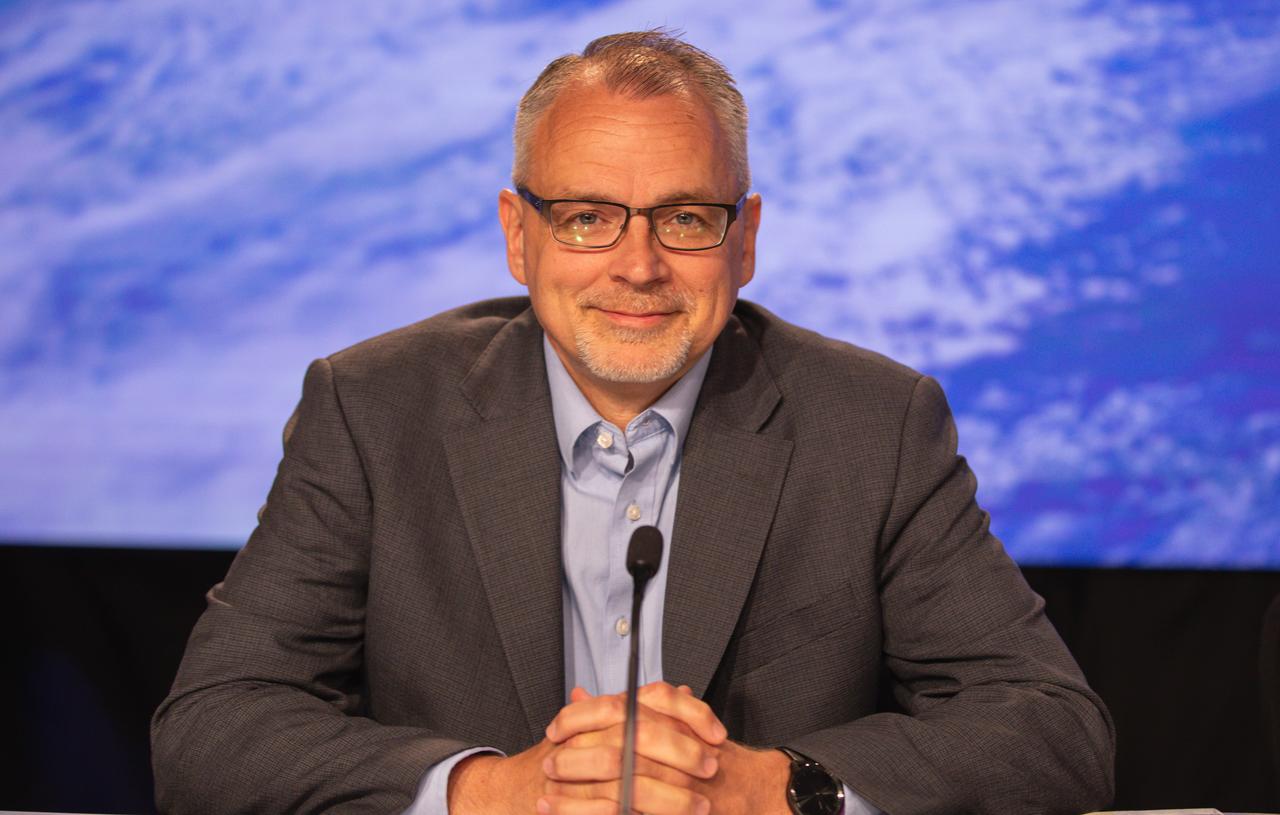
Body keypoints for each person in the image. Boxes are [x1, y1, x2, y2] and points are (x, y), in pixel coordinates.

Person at [152, 30, 1115, 815]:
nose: (638, 264)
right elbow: (213, 725)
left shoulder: (875, 424)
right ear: (517, 234)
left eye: (686, 218)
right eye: (585, 217)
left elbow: (1050, 730)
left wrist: (774, 786)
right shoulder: (373, 408)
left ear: (745, 240)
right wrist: (485, 791)